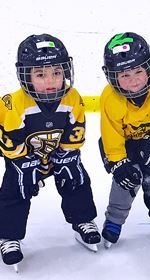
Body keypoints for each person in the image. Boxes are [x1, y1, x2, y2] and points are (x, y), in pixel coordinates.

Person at [0, 34, 101, 268]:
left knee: (77, 179)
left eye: (57, 72)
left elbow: (75, 132)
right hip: (22, 159)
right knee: (14, 190)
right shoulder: (12, 103)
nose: (51, 80)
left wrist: (65, 156)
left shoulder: (72, 97)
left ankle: (83, 220)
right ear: (25, 75)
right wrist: (27, 162)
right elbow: (10, 142)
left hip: (57, 155)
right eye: (40, 74)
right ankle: (8, 236)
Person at [99, 32, 150, 247]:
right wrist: (118, 161)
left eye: (138, 71)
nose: (133, 80)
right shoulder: (109, 98)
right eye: (124, 75)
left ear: (149, 67)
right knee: (126, 179)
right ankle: (114, 219)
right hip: (118, 145)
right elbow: (110, 133)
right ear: (112, 76)